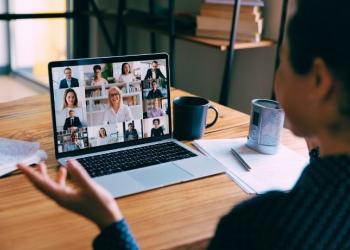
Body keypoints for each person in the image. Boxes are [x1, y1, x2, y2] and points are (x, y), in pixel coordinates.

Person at [17, 0, 350, 248]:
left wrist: (109, 219)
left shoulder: (260, 227)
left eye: (283, 62)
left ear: (319, 81)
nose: (277, 77)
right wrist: (321, 136)